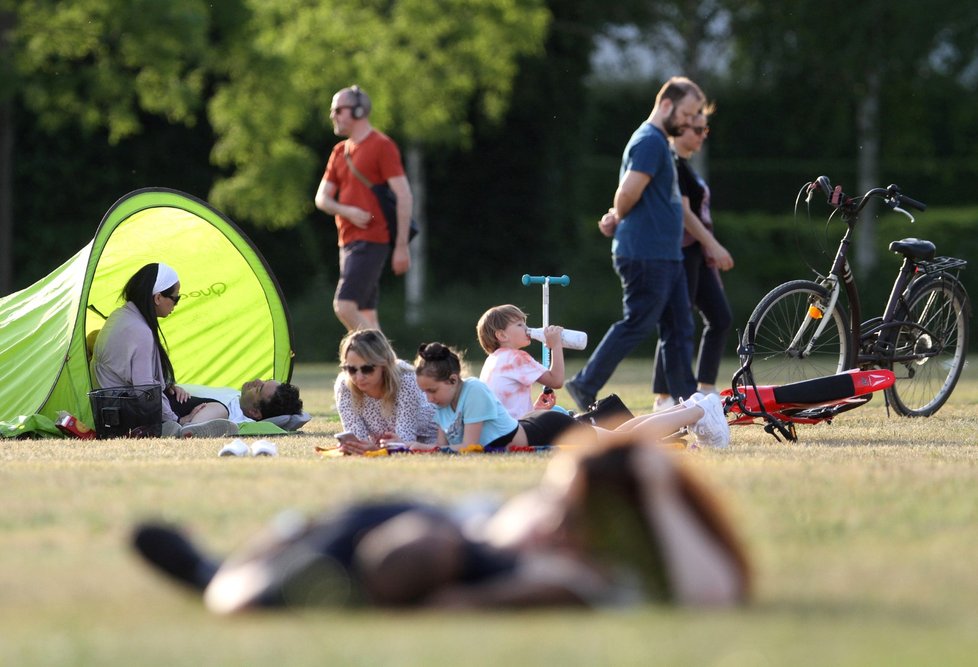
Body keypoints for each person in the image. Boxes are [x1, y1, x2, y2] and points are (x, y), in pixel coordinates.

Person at [131, 436, 751, 613]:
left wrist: (660, 484)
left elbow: (716, 591)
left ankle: (218, 576)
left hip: (441, 546)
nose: (550, 516)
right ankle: (221, 569)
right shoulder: (566, 542)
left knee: (242, 602)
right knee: (302, 544)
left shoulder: (596, 575)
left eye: (567, 516)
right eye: (553, 500)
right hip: (421, 520)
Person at [563, 76, 733, 413]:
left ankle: (687, 404)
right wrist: (618, 212)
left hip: (665, 255)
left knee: (679, 327)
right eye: (687, 114)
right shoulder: (651, 142)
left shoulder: (660, 143)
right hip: (645, 254)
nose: (690, 121)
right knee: (639, 321)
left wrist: (617, 215)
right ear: (667, 105)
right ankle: (585, 384)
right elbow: (627, 191)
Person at [414, 342, 729, 451]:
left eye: (432, 390)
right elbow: (444, 448)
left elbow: (469, 447)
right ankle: (693, 408)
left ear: (454, 379)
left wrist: (422, 449)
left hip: (547, 427)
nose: (428, 398)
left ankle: (700, 411)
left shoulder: (473, 391)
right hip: (531, 424)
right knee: (619, 435)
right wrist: (419, 448)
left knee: (621, 442)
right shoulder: (443, 402)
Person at [90, 263, 237, 439]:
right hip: (135, 414)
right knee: (218, 408)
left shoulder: (119, 316)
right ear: (158, 297)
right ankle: (183, 429)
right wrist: (177, 418)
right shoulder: (140, 331)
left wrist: (167, 385)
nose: (175, 304)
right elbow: (145, 391)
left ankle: (186, 427)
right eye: (176, 298)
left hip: (114, 409)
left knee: (205, 405)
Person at [313, 85, 414, 332]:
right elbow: (321, 199)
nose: (333, 115)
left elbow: (404, 195)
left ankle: (380, 362)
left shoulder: (382, 146)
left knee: (345, 306)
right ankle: (388, 367)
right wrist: (347, 211)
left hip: (371, 239)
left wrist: (401, 246)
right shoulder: (339, 152)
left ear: (359, 110)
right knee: (366, 313)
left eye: (339, 110)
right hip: (346, 241)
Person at [652, 112, 733, 410]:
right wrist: (714, 244)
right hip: (683, 251)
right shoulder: (672, 164)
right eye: (696, 129)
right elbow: (685, 215)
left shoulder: (685, 166)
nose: (702, 135)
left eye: (705, 129)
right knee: (677, 322)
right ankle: (663, 397)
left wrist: (708, 248)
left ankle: (706, 388)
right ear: (679, 130)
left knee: (720, 316)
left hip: (697, 253)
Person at [333, 329, 437, 455]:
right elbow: (357, 440)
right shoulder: (345, 385)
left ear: (384, 363)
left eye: (367, 369)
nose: (359, 377)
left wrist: (376, 451)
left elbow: (404, 443)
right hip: (389, 445)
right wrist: (357, 447)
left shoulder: (406, 381)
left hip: (433, 439)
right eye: (351, 369)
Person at [476, 304, 565, 419]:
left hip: (497, 431)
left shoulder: (491, 360)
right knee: (561, 417)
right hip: (515, 432)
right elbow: (556, 380)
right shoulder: (516, 358)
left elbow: (506, 408)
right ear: (502, 335)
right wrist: (556, 345)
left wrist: (534, 409)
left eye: (525, 324)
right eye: (519, 325)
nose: (527, 329)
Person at [177, 379, 304, 425]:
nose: (258, 381)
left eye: (258, 389)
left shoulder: (233, 416)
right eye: (266, 380)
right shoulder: (237, 397)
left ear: (254, 412)